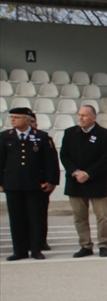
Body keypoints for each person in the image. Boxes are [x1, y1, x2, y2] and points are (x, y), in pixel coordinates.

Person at [0, 106, 58, 261]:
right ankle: (19, 250)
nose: (13, 120)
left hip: (35, 184)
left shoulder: (41, 136)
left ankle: (36, 249)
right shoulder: (5, 137)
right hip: (13, 184)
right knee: (17, 219)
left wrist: (51, 181)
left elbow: (50, 161)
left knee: (36, 218)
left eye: (17, 117)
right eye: (12, 117)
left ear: (27, 119)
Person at [60, 103, 107, 257]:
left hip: (96, 181)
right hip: (75, 181)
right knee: (79, 216)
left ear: (94, 117)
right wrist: (76, 172)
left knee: (102, 215)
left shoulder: (105, 135)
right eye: (79, 115)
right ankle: (85, 245)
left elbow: (106, 159)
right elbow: (64, 155)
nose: (80, 118)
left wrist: (88, 174)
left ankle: (103, 244)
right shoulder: (70, 133)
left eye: (84, 115)